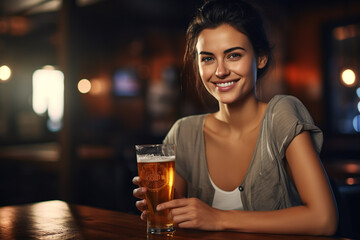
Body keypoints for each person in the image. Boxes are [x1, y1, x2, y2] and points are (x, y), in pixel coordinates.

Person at [133, 0, 338, 235]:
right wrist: (163, 206)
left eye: (233, 55)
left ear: (260, 58)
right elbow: (170, 220)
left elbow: (324, 219)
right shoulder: (184, 132)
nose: (220, 71)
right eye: (208, 58)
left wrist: (219, 218)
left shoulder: (282, 114)